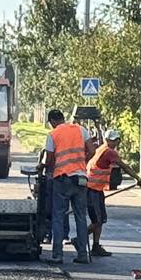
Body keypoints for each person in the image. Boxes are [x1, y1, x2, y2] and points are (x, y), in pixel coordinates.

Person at [44, 109, 91, 265]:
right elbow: (92, 150)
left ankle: (58, 255)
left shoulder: (53, 134)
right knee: (81, 217)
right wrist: (82, 163)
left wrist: (44, 168)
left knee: (58, 216)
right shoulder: (81, 129)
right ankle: (83, 255)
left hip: (62, 179)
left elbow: (49, 159)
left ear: (52, 121)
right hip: (81, 178)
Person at [84, 130, 135, 258]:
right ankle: (80, 238)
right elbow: (124, 166)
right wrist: (138, 178)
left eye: (116, 140)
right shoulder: (109, 152)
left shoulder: (101, 149)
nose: (114, 142)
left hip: (96, 189)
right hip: (92, 190)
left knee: (100, 220)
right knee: (97, 221)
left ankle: (96, 245)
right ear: (107, 140)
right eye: (112, 140)